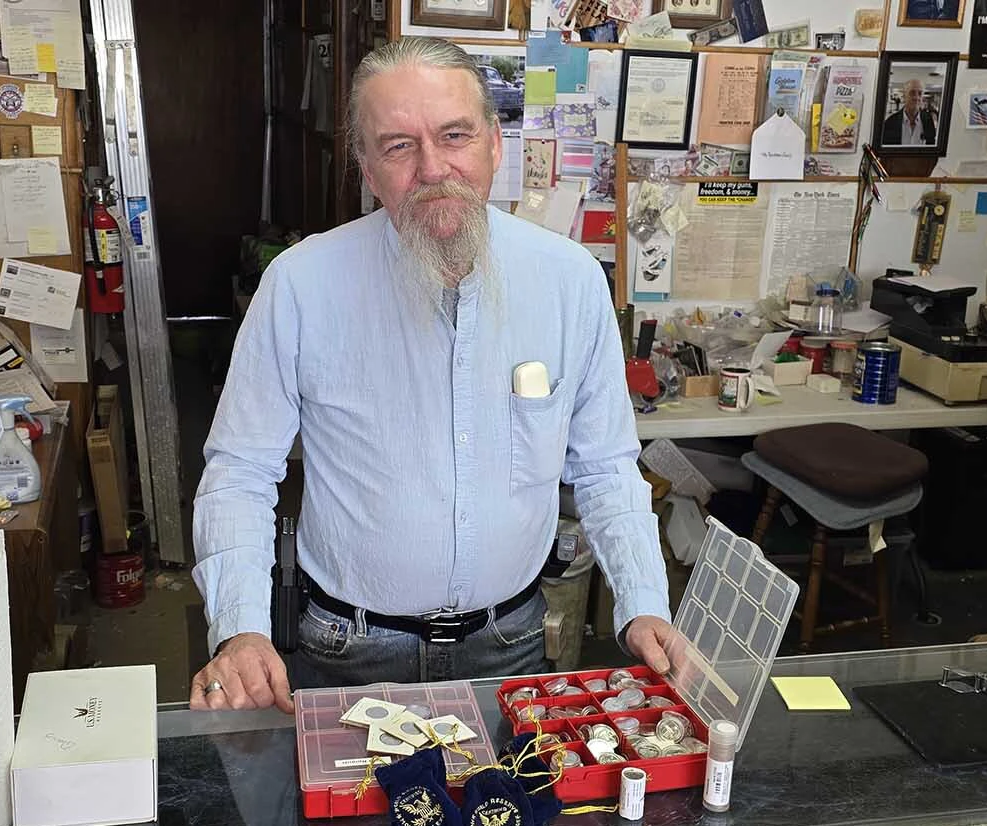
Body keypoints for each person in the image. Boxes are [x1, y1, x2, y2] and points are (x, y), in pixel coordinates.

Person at [189, 37, 676, 712]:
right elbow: (240, 471)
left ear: (495, 144)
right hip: (349, 649)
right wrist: (241, 627)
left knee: (512, 788)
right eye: (398, 146)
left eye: (455, 135)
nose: (433, 168)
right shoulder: (300, 286)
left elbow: (605, 467)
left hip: (510, 643)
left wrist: (644, 602)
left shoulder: (570, 282)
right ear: (367, 168)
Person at [882, 78, 936, 147]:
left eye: (920, 93)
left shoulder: (928, 121)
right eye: (912, 93)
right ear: (904, 96)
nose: (916, 97)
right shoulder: (890, 122)